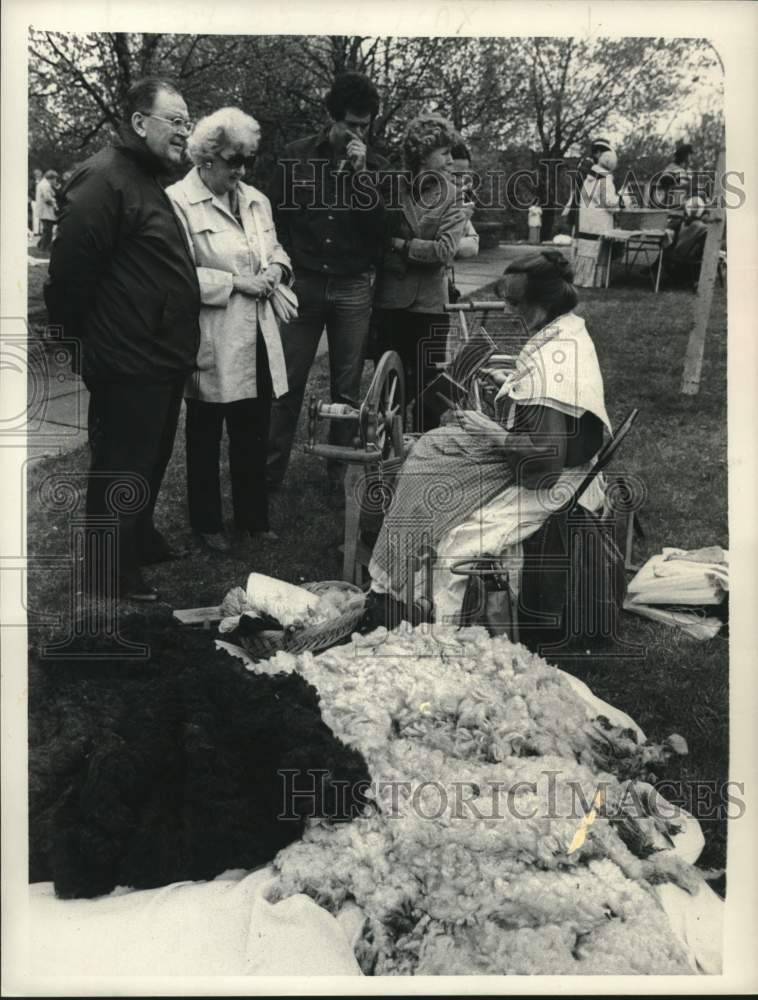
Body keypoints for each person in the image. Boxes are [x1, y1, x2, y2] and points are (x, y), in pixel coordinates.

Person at [366, 251, 611, 627]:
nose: (509, 311)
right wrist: (512, 384)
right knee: (432, 455)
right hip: (551, 464)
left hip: (558, 480)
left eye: (515, 304)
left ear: (542, 303)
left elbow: (545, 462)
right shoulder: (567, 330)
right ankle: (404, 579)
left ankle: (448, 637)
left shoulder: (553, 361)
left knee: (456, 546)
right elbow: (551, 409)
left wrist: (491, 430)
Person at [44, 76, 201, 602]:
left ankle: (137, 540)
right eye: (175, 121)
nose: (186, 132)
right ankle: (107, 571)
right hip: (128, 358)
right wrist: (85, 347)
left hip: (160, 354)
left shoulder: (144, 177)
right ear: (140, 123)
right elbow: (67, 278)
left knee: (150, 455)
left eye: (188, 122)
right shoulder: (104, 179)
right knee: (123, 463)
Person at [167, 108, 292, 553]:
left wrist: (277, 269)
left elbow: (274, 248)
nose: (240, 171)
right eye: (231, 161)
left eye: (246, 161)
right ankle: (207, 522)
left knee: (252, 429)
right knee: (205, 431)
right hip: (212, 334)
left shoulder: (256, 199)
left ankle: (253, 519)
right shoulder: (177, 201)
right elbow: (178, 276)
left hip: (256, 332)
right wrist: (239, 283)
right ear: (204, 159)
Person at [266, 71, 388, 493]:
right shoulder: (295, 156)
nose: (357, 132)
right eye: (350, 124)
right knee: (285, 384)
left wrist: (361, 177)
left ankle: (340, 473)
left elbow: (382, 229)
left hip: (353, 286)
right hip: (303, 285)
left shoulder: (376, 166)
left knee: (347, 389)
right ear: (330, 117)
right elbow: (274, 220)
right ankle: (268, 476)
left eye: (364, 125)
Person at [372, 114, 469, 433]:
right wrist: (405, 249)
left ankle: (423, 455)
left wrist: (402, 245)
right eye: (444, 153)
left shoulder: (453, 195)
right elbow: (374, 241)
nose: (450, 161)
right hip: (391, 302)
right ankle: (386, 455)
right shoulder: (390, 188)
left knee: (428, 388)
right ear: (422, 154)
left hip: (429, 306)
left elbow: (444, 251)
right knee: (389, 386)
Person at [573, 139, 621, 287]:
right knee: (598, 251)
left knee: (587, 251)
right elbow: (608, 202)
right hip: (599, 221)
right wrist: (621, 199)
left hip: (587, 220)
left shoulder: (590, 176)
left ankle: (583, 278)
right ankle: (595, 281)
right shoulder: (604, 178)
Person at [660, 195, 709, 288]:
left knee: (665, 248)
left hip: (683, 255)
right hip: (694, 256)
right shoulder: (704, 227)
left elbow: (678, 243)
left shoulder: (686, 225)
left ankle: (656, 269)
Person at [654, 142, 694, 209]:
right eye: (689, 155)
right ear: (685, 156)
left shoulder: (686, 170)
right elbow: (665, 181)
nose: (691, 157)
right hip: (665, 203)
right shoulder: (672, 168)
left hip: (678, 203)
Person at [36, 170, 59, 251]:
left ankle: (41, 246)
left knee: (46, 230)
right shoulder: (45, 185)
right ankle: (44, 248)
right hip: (46, 211)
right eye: (55, 179)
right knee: (48, 231)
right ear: (51, 178)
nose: (55, 181)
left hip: (43, 211)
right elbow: (47, 199)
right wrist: (55, 205)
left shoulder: (43, 183)